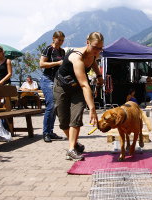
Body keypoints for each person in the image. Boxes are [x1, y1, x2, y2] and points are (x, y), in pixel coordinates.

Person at [54, 32, 104, 161]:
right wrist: (92, 109)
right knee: (64, 122)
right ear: (87, 43)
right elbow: (84, 84)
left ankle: (71, 150)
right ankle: (75, 144)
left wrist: (99, 76)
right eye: (95, 47)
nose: (98, 51)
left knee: (76, 117)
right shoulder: (77, 57)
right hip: (62, 86)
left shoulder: (93, 55)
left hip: (78, 89)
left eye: (100, 48)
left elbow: (93, 63)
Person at [39, 31, 66, 142]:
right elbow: (41, 64)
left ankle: (50, 132)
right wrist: (57, 63)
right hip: (47, 79)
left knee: (56, 107)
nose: (60, 42)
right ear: (53, 38)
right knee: (51, 105)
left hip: (57, 81)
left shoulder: (62, 51)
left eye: (62, 40)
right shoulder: (48, 49)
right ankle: (45, 132)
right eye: (58, 39)